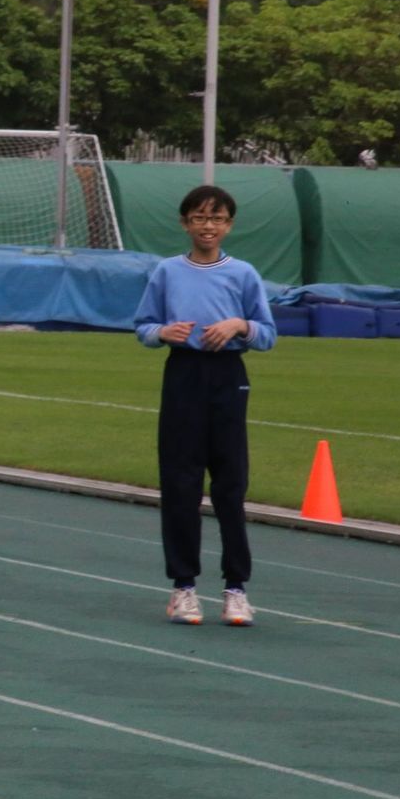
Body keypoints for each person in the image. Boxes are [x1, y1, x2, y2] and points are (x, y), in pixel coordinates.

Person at [132, 184, 276, 627]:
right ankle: (184, 587)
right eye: (199, 218)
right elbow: (143, 325)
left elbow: (268, 334)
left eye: (216, 219)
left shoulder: (244, 274)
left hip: (228, 376)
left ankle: (236, 589)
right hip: (183, 374)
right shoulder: (167, 272)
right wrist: (162, 333)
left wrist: (239, 325)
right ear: (185, 223)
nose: (207, 226)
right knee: (181, 482)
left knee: (231, 483)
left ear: (229, 225)